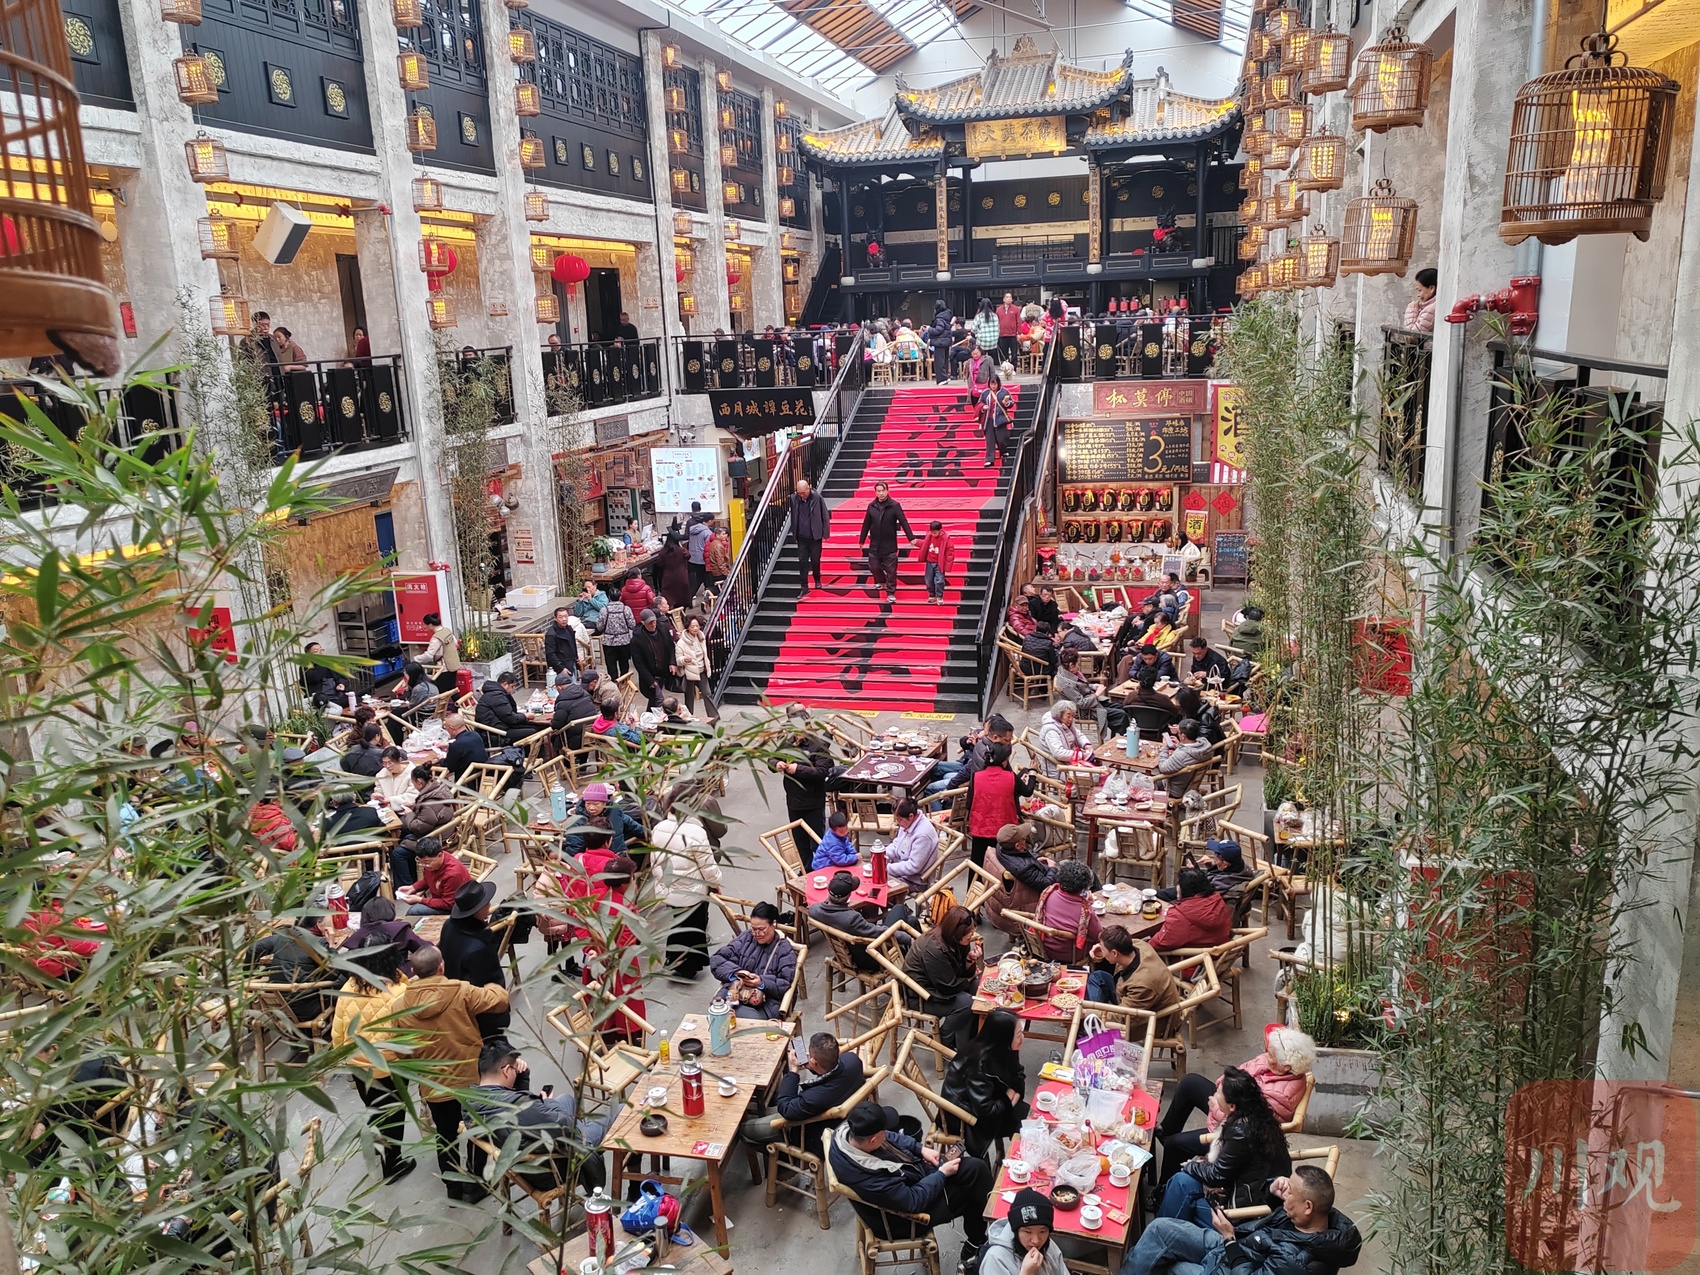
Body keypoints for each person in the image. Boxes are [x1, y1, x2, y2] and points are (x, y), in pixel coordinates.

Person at [391, 945, 511, 1200]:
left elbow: (400, 1051)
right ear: (441, 967)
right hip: (468, 1079)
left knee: (445, 1136)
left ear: (414, 972)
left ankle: (453, 1187)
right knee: (477, 1130)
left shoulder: (400, 1005)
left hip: (433, 1085)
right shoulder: (460, 991)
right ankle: (476, 1183)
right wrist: (493, 985)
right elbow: (499, 1001)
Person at [828, 1101, 992, 1271]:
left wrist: (920, 1149)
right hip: (903, 1218)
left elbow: (890, 1136)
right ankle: (976, 1245)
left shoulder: (848, 1132)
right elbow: (912, 1201)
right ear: (873, 1140)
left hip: (909, 1179)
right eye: (883, 1131)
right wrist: (942, 1174)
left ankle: (983, 1234)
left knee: (976, 1168)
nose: (887, 1133)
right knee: (971, 1192)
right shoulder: (870, 1178)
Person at [1120, 1165, 1361, 1275]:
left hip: (1234, 1259)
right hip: (1238, 1247)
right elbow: (1274, 1223)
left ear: (1308, 1207)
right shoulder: (1312, 1218)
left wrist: (1229, 1240)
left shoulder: (1297, 1262)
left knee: (1166, 1264)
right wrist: (1273, 1191)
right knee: (1160, 1229)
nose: (1286, 1193)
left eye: (1290, 1192)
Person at [1158, 1028, 1317, 1178]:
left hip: (1238, 1131)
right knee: (1190, 1083)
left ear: (1286, 1066)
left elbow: (1243, 1123)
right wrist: (1223, 1089)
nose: (1265, 1056)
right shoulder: (1272, 1063)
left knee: (1174, 1144)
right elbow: (1237, 1074)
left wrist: (1216, 1106)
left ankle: (1163, 1189)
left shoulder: (1279, 1095)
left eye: (1271, 1055)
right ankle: (1165, 1132)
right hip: (1230, 1102)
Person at [468, 1040, 608, 1192]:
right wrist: (548, 1103)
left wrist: (521, 1078)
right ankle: (590, 1154)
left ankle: (586, 1144)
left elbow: (522, 1112)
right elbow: (565, 1127)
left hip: (526, 1161)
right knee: (618, 1113)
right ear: (506, 1070)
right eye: (514, 1069)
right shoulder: (519, 1107)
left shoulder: (471, 1102)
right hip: (550, 1170)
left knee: (566, 1099)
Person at [1157, 1066, 1292, 1222]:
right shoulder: (1260, 1115)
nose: (1214, 1095)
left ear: (1232, 1106)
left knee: (1180, 1183)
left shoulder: (1240, 1132)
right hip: (1246, 1188)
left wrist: (1191, 1166)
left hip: (1245, 1213)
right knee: (1181, 1182)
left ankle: (1161, 1227)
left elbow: (1216, 1176)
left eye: (1219, 1093)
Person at [332, 934, 414, 1181]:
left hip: (358, 1065)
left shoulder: (348, 988)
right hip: (389, 1067)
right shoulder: (398, 992)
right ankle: (393, 1165)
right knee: (394, 1115)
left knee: (374, 1110)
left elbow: (338, 1032)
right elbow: (407, 1034)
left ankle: (381, 1150)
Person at [740, 1032, 871, 1152]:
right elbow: (830, 1070)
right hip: (840, 1110)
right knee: (778, 1096)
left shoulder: (813, 1098)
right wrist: (813, 1067)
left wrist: (794, 1070)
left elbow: (785, 1108)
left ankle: (781, 1157)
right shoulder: (853, 1060)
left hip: (810, 1133)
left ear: (813, 1061)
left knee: (744, 1130)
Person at [940, 1008, 1029, 1159]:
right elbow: (986, 1111)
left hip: (990, 1102)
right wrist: (1008, 1100)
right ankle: (1017, 1164)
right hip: (966, 1118)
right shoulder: (980, 1065)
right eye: (1018, 1034)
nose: (1023, 1037)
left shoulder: (1003, 1049)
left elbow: (1018, 1079)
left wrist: (1013, 1094)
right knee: (1027, 1126)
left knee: (1031, 1118)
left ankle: (1015, 1158)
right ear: (1004, 1037)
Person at [653, 795, 722, 979]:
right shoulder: (695, 832)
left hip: (669, 887)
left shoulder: (659, 828)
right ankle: (689, 965)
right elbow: (707, 865)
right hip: (693, 889)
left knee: (678, 922)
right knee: (694, 925)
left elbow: (655, 861)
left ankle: (674, 959)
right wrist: (715, 883)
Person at [901, 904, 984, 1053]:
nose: (972, 934)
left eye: (973, 930)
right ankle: (943, 1040)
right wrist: (970, 978)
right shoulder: (934, 949)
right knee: (967, 1003)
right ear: (956, 932)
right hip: (922, 995)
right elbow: (948, 986)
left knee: (978, 988)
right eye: (969, 932)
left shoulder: (956, 939)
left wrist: (969, 960)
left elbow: (960, 973)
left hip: (941, 984)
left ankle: (967, 1042)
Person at [439, 879, 508, 1039]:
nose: (489, 905)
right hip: (478, 1013)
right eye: (486, 903)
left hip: (453, 993)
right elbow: (489, 985)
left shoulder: (449, 925)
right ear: (477, 910)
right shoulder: (478, 948)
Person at [710, 902, 796, 1018]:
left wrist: (761, 982)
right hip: (735, 993)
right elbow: (717, 959)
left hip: (765, 1003)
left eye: (761, 929)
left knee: (739, 1017)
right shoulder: (746, 938)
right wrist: (737, 973)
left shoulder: (784, 949)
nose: (757, 934)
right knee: (717, 1011)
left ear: (773, 924)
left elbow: (785, 983)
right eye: (754, 929)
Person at [808, 871, 913, 966]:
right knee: (899, 909)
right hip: (871, 956)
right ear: (848, 896)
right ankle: (914, 957)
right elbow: (880, 932)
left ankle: (915, 953)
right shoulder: (851, 919)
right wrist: (908, 939)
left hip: (846, 952)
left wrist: (834, 897)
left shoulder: (814, 910)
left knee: (912, 921)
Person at [965, 743, 1038, 870]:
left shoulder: (976, 776)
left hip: (980, 828)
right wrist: (1033, 772)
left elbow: (968, 804)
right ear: (1004, 761)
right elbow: (1027, 791)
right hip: (1005, 832)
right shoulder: (1010, 777)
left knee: (977, 866)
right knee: (1003, 869)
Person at [1085, 924, 1181, 1018]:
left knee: (1086, 1013)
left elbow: (1124, 1017)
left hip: (1146, 1019)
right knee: (1098, 976)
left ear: (1114, 953)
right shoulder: (1138, 944)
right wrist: (1102, 949)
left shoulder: (1142, 985)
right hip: (1127, 994)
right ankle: (1094, 1016)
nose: (1101, 950)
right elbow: (1116, 951)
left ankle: (1093, 1020)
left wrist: (1087, 1013)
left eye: (1103, 949)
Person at [983, 821, 1058, 936]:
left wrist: (1037, 858)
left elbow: (1025, 853)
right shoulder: (1024, 868)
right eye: (1023, 838)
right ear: (1017, 845)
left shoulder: (1002, 847)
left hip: (1005, 900)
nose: (1026, 839)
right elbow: (1046, 884)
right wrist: (1052, 868)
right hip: (1029, 901)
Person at [776, 709, 834, 842]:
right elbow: (772, 758)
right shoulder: (787, 744)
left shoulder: (818, 745)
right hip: (793, 801)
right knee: (800, 842)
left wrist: (798, 769)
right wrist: (777, 763)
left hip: (813, 802)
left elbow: (822, 771)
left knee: (816, 842)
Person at [392, 765, 456, 884]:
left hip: (438, 839)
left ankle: (406, 885)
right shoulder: (438, 789)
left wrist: (409, 814)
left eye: (413, 784)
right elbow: (431, 815)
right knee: (405, 838)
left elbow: (418, 827)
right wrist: (415, 807)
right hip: (445, 832)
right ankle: (413, 878)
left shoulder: (429, 803)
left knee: (398, 853)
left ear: (419, 782)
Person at [983, 1188, 1068, 1275]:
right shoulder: (995, 1259)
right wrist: (1026, 1272)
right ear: (1016, 1231)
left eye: (1042, 1231)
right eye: (1028, 1232)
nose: (1036, 1241)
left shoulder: (1047, 1245)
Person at [859, 482, 916, 604]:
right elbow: (866, 524)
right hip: (875, 544)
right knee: (873, 566)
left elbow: (903, 521)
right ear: (875, 492)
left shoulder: (894, 506)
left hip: (889, 544)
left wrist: (911, 538)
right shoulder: (871, 506)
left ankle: (890, 593)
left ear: (887, 491)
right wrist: (861, 540)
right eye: (878, 491)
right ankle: (881, 580)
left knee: (891, 570)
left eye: (883, 491)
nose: (881, 493)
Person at [1151, 867, 1233, 951]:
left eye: (1179, 884)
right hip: (1217, 949)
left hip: (1190, 956)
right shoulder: (1218, 901)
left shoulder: (1180, 917)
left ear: (1183, 889)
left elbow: (1158, 944)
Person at [1035, 860, 1101, 963]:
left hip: (1044, 947)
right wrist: (1088, 904)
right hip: (1070, 954)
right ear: (1084, 887)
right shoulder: (1085, 911)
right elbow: (1099, 936)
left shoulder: (1048, 893)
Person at [339, 896, 427, 973]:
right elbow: (426, 948)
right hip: (399, 974)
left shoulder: (356, 938)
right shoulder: (399, 930)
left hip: (367, 980)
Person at [1056, 648, 1129, 736]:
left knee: (1121, 707)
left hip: (1091, 701)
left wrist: (1093, 686)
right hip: (1084, 711)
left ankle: (1123, 734)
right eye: (1078, 664)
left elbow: (1081, 686)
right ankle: (1126, 738)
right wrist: (1096, 694)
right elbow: (1081, 703)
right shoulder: (1066, 684)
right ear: (1071, 665)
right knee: (1121, 715)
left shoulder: (1067, 670)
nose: (1079, 666)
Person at [397, 838, 472, 917]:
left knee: (414, 911)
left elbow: (448, 904)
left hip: (455, 908)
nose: (424, 866)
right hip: (441, 900)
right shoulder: (432, 864)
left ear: (440, 855)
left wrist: (420, 900)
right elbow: (428, 879)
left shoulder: (453, 874)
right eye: (420, 862)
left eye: (427, 862)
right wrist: (413, 888)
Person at [1164, 837, 1253, 903]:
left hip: (1194, 899)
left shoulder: (1223, 883)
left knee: (1159, 895)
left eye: (1216, 858)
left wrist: (1193, 871)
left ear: (1225, 863)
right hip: (1201, 891)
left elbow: (1201, 892)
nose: (1214, 859)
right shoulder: (1239, 866)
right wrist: (1211, 865)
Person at [886, 798, 940, 891]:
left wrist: (887, 869)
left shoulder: (923, 835)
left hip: (915, 881)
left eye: (899, 819)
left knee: (881, 887)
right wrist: (882, 855)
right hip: (901, 870)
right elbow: (897, 843)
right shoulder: (907, 823)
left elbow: (913, 866)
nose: (898, 822)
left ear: (911, 816)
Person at [629, 608, 678, 710]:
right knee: (657, 699)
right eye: (650, 623)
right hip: (651, 674)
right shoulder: (637, 639)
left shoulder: (663, 628)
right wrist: (650, 680)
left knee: (656, 701)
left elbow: (671, 646)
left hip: (665, 670)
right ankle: (650, 717)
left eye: (654, 621)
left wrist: (672, 662)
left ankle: (650, 716)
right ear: (643, 623)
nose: (653, 624)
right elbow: (639, 663)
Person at [789, 478, 832, 593]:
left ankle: (817, 579)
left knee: (815, 560)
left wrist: (825, 532)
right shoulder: (794, 498)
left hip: (815, 536)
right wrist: (794, 532)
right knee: (802, 562)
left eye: (803, 493)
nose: (802, 495)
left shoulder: (816, 497)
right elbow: (794, 515)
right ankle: (804, 586)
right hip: (801, 536)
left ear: (808, 488)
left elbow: (824, 514)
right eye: (799, 493)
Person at [1158, 720, 1216, 798]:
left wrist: (1164, 748)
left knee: (1147, 781)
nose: (1178, 735)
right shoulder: (1205, 747)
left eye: (1179, 733)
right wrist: (1180, 745)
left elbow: (1162, 768)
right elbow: (1188, 753)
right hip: (1189, 786)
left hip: (1174, 790)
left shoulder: (1182, 755)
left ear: (1183, 736)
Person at [675, 614, 717, 722]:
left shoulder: (701, 638)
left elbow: (704, 655)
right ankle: (688, 720)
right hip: (689, 673)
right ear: (687, 627)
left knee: (707, 694)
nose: (695, 628)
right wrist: (684, 659)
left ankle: (715, 719)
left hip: (702, 670)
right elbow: (678, 660)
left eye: (697, 626)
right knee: (689, 698)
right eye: (692, 626)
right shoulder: (681, 643)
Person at [474, 671, 533, 747]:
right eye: (512, 686)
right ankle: (526, 753)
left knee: (532, 726)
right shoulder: (496, 696)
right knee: (532, 732)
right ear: (505, 684)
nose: (513, 689)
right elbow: (510, 718)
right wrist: (525, 716)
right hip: (494, 734)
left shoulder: (497, 692)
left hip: (499, 726)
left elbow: (509, 712)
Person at [1035, 699, 1092, 773]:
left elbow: (1078, 734)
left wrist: (1086, 744)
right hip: (1059, 769)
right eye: (1068, 716)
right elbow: (1059, 753)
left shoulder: (1065, 723)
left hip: (1071, 760)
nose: (1071, 719)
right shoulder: (1051, 731)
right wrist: (1081, 755)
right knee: (1096, 774)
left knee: (1095, 763)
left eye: (1072, 716)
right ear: (1059, 715)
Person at [551, 669, 598, 746]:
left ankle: (559, 753)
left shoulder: (563, 702)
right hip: (591, 735)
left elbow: (556, 725)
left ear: (559, 687)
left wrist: (552, 721)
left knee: (554, 738)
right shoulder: (585, 693)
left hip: (574, 740)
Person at [915, 519, 956, 606]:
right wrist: (916, 542)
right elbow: (924, 544)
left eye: (935, 532)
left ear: (940, 530)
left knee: (940, 580)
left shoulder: (945, 539)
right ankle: (932, 595)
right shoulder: (929, 536)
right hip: (930, 562)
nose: (933, 534)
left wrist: (947, 565)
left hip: (939, 563)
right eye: (932, 532)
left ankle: (939, 596)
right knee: (928, 580)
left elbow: (950, 552)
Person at [419, 613, 461, 692]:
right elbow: (455, 644)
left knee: (441, 691)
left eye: (425, 624)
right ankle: (459, 700)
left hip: (443, 668)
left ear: (430, 625)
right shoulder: (447, 630)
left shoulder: (436, 638)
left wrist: (416, 659)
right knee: (452, 689)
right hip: (453, 664)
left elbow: (429, 655)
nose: (425, 627)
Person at [982, 373, 1017, 467]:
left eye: (995, 384)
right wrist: (983, 407)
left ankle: (1003, 451)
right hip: (989, 420)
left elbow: (1011, 403)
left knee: (1002, 438)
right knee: (990, 440)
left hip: (1000, 419)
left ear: (998, 383)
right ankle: (989, 459)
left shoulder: (1004, 392)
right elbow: (980, 403)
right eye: (991, 384)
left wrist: (1006, 403)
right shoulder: (985, 393)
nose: (993, 386)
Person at [441, 712, 488, 781]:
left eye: (446, 728)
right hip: (481, 775)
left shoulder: (456, 745)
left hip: (465, 781)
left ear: (451, 728)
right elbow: (466, 747)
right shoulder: (475, 735)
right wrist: (448, 746)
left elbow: (449, 767)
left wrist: (440, 759)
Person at [657, 532, 692, 611]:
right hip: (681, 575)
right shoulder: (681, 550)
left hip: (668, 576)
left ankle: (669, 610)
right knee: (682, 594)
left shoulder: (663, 551)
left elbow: (659, 563)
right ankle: (682, 611)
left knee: (669, 594)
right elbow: (688, 556)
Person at [302, 641, 344, 707]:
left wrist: (341, 684)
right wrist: (321, 662)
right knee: (337, 707)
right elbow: (314, 677)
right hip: (320, 698)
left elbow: (342, 677)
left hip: (336, 694)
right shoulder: (306, 666)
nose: (320, 652)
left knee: (357, 700)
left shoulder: (329, 663)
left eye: (321, 650)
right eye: (316, 651)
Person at [543, 607, 580, 679]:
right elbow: (550, 654)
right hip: (561, 667)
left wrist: (576, 656)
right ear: (555, 618)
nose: (564, 619)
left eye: (566, 616)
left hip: (572, 663)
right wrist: (561, 668)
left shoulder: (569, 629)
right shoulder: (551, 634)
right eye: (561, 617)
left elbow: (572, 645)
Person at [687, 510, 714, 596]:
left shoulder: (692, 529)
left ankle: (692, 594)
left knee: (695, 578)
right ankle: (705, 593)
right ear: (710, 521)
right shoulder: (707, 532)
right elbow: (708, 547)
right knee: (704, 577)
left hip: (692, 557)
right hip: (702, 558)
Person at [1403, 266, 1438, 333]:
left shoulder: (1430, 310)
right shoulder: (1431, 307)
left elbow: (1411, 336)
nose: (1418, 295)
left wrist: (1411, 309)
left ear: (1431, 288)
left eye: (1419, 290)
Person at [995, 292, 1021, 365]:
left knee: (1014, 353)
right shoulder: (998, 310)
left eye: (1010, 297)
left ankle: (1014, 367)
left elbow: (1018, 321)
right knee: (1004, 353)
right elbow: (997, 322)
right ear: (1004, 299)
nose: (1009, 299)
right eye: (1007, 297)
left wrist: (1019, 333)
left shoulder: (1016, 309)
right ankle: (1005, 367)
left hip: (1013, 334)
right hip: (1002, 334)